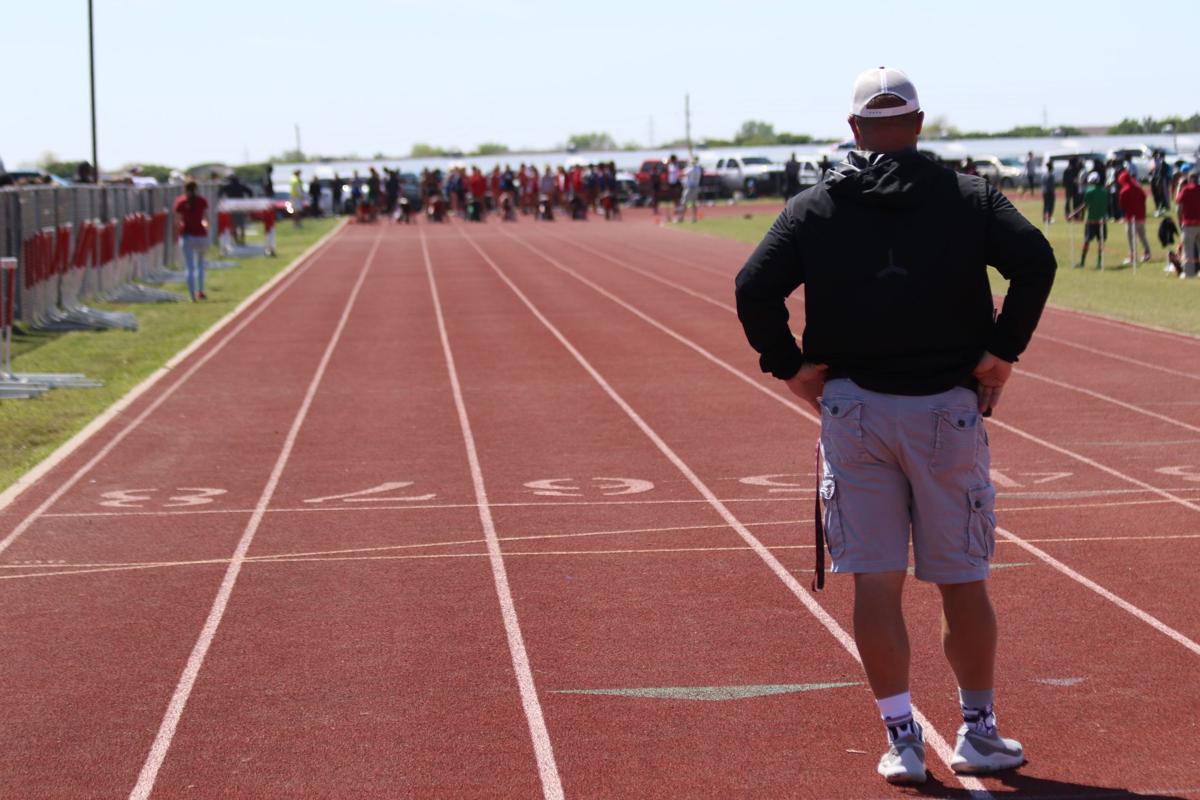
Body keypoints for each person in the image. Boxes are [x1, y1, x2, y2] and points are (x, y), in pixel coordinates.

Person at [734, 66, 1054, 786]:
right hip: (946, 407)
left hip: (854, 412)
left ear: (854, 129)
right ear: (917, 124)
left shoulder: (815, 206)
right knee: (962, 581)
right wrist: (1001, 353)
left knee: (875, 586)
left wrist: (790, 367)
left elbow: (753, 286)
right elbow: (1035, 261)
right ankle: (978, 732)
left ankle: (902, 738)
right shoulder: (970, 196)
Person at [173, 181, 210, 302]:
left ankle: (192, 295)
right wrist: (205, 227)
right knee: (200, 265)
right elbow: (206, 219)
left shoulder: (180, 202)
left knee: (189, 267)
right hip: (201, 236)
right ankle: (201, 290)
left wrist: (179, 231)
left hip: (187, 236)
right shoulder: (202, 201)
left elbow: (178, 221)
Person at [1068, 172, 1109, 269]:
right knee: (1101, 241)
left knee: (1087, 241)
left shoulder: (1089, 191)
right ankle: (1099, 263)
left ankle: (1082, 262)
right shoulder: (1104, 191)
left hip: (1091, 220)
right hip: (1102, 220)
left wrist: (1073, 213)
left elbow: (1085, 206)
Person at [1117, 171, 1152, 266]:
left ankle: (1132, 257)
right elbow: (1144, 198)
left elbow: (1122, 205)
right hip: (1141, 216)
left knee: (1131, 238)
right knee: (1142, 236)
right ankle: (1147, 253)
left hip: (1131, 218)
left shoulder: (1124, 190)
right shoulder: (1138, 187)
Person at [1177, 172, 1200, 278]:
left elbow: (1179, 207)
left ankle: (1188, 273)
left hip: (1188, 224)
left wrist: (1180, 221)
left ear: (1189, 179)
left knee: (1188, 250)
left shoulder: (1185, 189)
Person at [678, 156, 703, 223]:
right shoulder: (698, 168)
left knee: (684, 202)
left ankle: (681, 217)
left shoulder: (690, 169)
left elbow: (681, 174)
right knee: (693, 203)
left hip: (689, 188)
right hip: (695, 187)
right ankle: (694, 218)